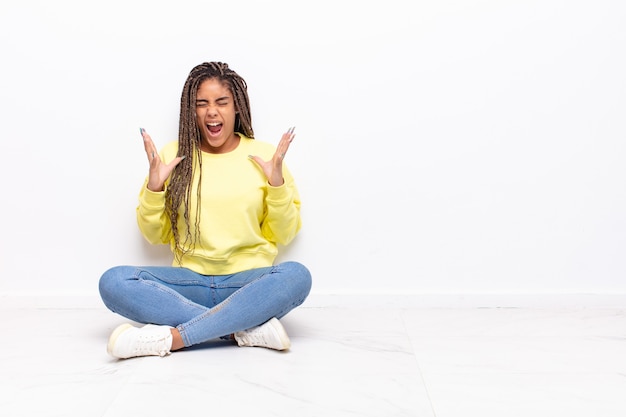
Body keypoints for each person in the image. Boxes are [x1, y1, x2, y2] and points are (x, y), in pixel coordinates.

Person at [98, 61, 312, 359]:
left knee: (297, 276)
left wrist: (276, 186)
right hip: (189, 283)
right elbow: (154, 236)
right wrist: (155, 190)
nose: (212, 111)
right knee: (113, 282)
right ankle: (241, 328)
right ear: (192, 111)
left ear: (236, 107)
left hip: (247, 284)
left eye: (221, 102)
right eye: (202, 104)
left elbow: (285, 234)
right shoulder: (174, 156)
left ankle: (175, 339)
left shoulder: (265, 156)